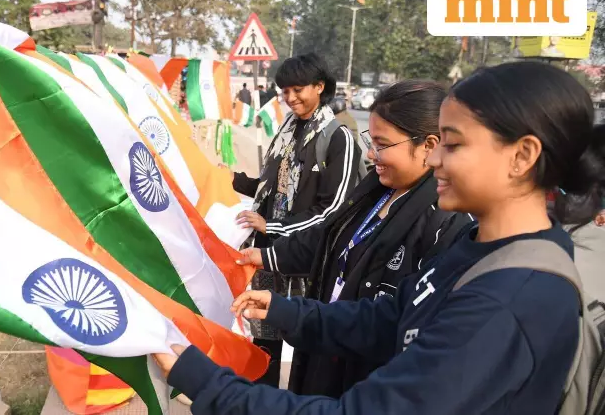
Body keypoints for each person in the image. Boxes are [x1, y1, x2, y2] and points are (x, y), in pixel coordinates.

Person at [153, 61, 605, 414]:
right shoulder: (483, 251)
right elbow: (391, 318)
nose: (437, 160)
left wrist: (209, 383)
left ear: (521, 155)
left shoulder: (509, 298)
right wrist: (292, 312)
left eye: (453, 144)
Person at [241, 80, 472, 398]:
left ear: (429, 146)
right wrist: (265, 257)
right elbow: (329, 242)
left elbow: (396, 322)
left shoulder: (446, 222)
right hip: (326, 348)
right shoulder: (375, 191)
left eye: (382, 144)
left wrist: (293, 314)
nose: (372, 153)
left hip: (368, 380)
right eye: (371, 140)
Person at [231, 53, 362, 386]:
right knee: (265, 347)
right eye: (284, 91)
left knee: (306, 345)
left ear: (320, 86)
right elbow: (269, 188)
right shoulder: (288, 131)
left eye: (298, 89)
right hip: (269, 260)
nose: (290, 98)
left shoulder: (338, 138)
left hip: (306, 262)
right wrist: (230, 180)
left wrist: (272, 226)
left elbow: (333, 209)